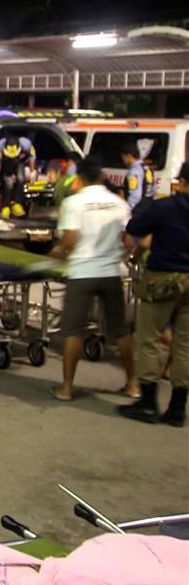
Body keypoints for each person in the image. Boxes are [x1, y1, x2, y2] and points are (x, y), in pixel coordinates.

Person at [49, 158, 138, 402]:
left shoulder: (73, 203)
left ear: (79, 179)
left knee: (74, 331)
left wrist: (57, 251)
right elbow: (127, 242)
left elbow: (69, 240)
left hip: (82, 273)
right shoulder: (118, 203)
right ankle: (132, 384)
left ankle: (66, 388)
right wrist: (123, 256)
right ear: (101, 177)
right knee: (120, 330)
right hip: (111, 272)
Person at [118, 161, 189, 426]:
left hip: (163, 280)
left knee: (148, 339)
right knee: (185, 345)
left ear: (182, 182)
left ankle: (148, 403)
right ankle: (178, 409)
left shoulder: (168, 206)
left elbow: (134, 226)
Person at [0, 134, 36, 218]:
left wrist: (32, 171)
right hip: (6, 163)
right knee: (8, 183)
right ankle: (5, 206)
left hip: (20, 162)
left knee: (20, 179)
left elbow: (32, 157)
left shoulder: (26, 144)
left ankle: (17, 204)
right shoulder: (0, 145)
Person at [120, 140, 155, 214]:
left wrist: (127, 210)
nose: (123, 160)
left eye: (123, 157)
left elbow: (135, 195)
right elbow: (153, 191)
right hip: (149, 210)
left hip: (137, 212)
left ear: (128, 156)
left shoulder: (134, 172)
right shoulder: (148, 169)